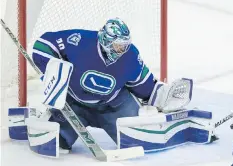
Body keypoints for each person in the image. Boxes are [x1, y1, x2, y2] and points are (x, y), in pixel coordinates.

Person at [24, 17, 215, 156]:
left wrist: (162, 97)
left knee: (138, 144)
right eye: (118, 45)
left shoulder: (131, 56)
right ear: (106, 40)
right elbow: (43, 45)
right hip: (74, 104)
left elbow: (144, 85)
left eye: (125, 45)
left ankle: (187, 128)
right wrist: (54, 69)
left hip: (113, 107)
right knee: (56, 144)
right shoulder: (80, 40)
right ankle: (64, 127)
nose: (122, 49)